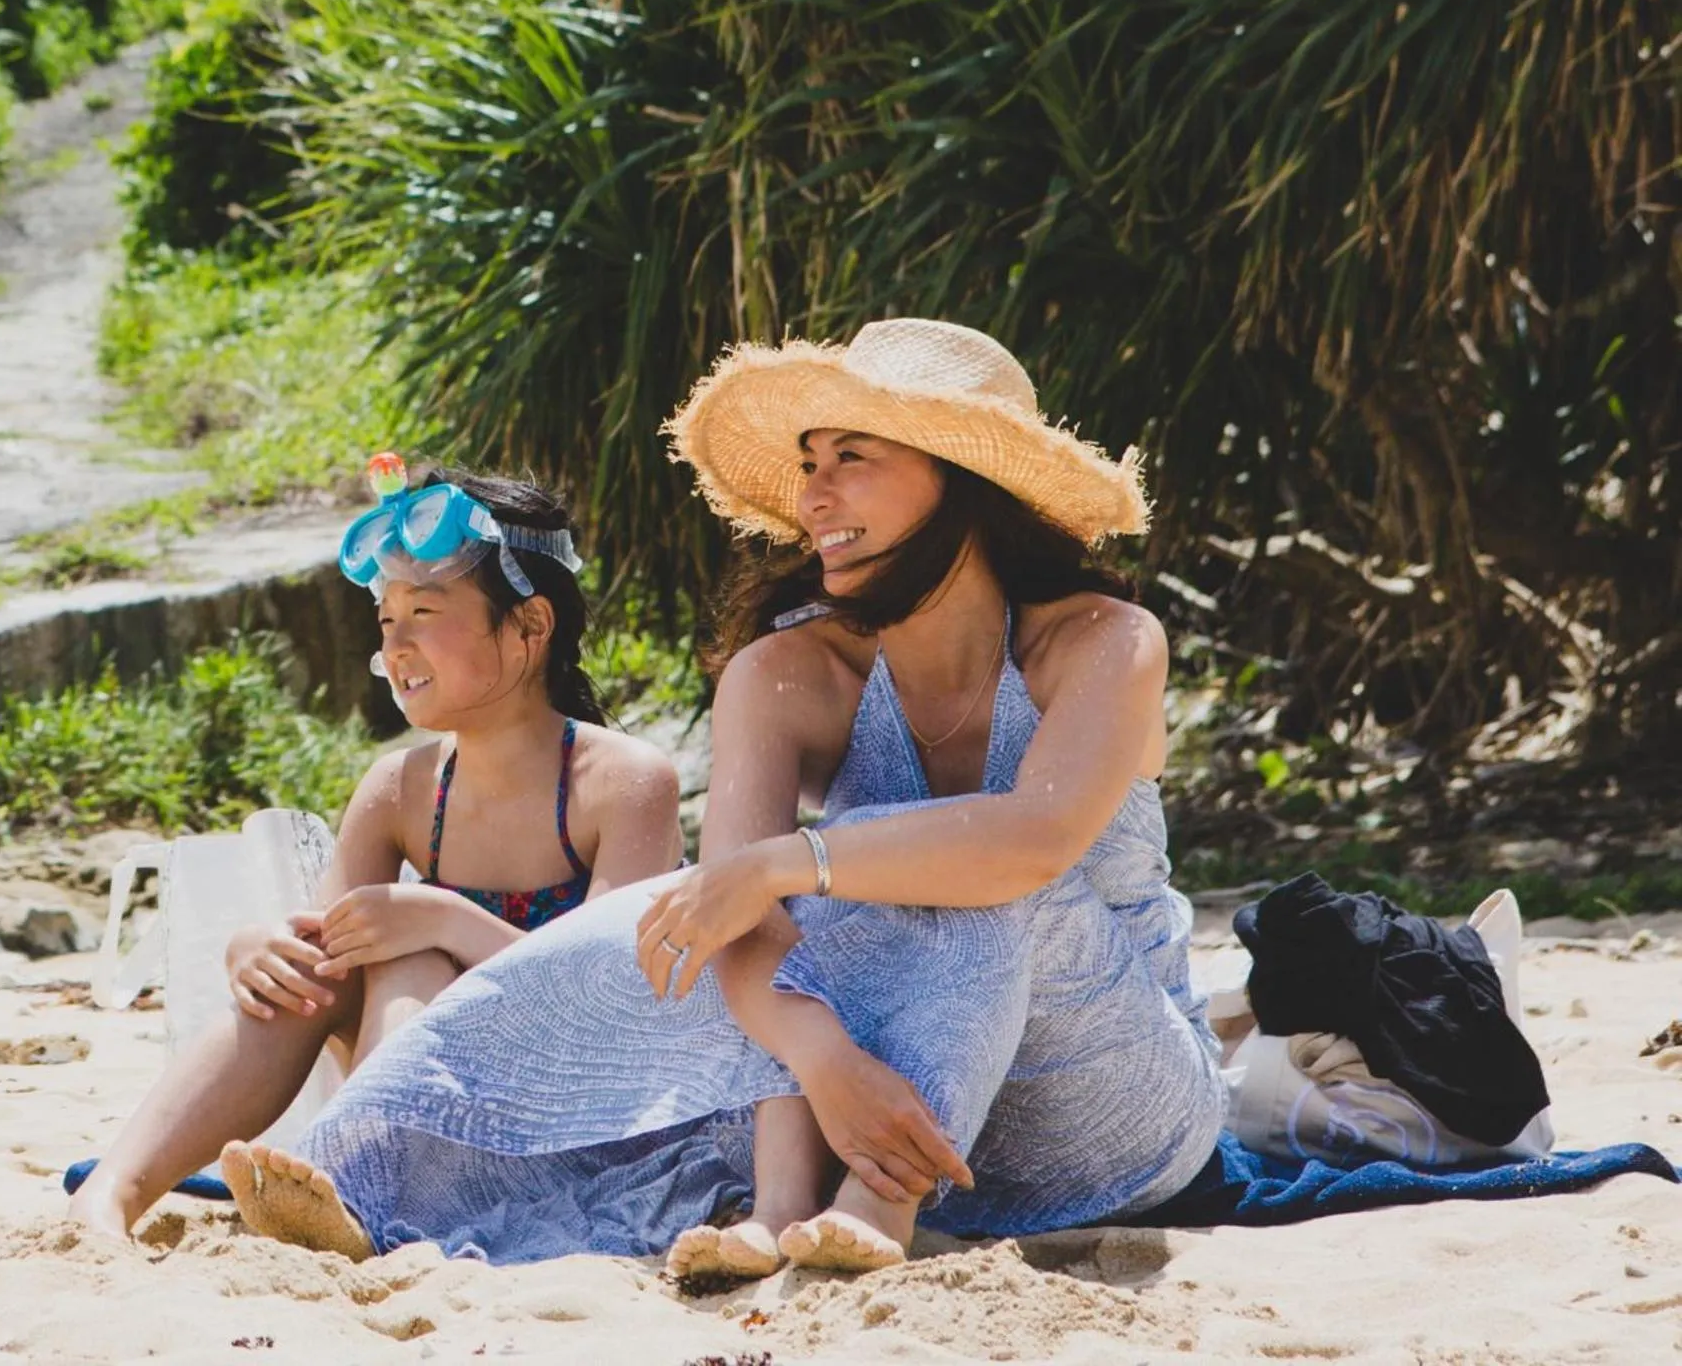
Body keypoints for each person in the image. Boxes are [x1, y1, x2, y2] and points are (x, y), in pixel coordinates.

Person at [213, 320, 1226, 1275]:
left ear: (958, 480)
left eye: (852, 460)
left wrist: (791, 861)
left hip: (1111, 1111)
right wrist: (820, 1055)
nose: (814, 495)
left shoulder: (1100, 642)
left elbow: (1030, 842)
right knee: (656, 926)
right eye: (807, 464)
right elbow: (733, 920)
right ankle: (364, 1168)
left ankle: (877, 1210)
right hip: (883, 1110)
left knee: (930, 868)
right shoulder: (786, 673)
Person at [66, 463, 683, 1240]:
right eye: (387, 621)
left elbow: (609, 995)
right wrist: (256, 950)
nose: (398, 644)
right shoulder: (399, 788)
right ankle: (116, 1191)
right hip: (415, 1102)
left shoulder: (622, 781)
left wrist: (443, 919)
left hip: (573, 1107)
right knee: (319, 973)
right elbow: (330, 956)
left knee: (411, 952)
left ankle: (359, 1184)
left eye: (425, 612)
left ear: (530, 627)